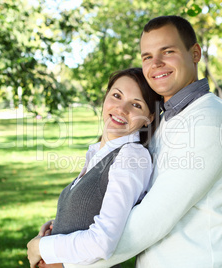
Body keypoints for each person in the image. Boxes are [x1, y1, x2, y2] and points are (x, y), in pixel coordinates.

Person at [50, 15, 222, 268]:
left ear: (195, 53)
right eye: (147, 56)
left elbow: (152, 220)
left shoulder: (210, 119)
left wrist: (67, 261)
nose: (156, 64)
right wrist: (65, 231)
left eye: (168, 51)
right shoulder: (165, 120)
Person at [27, 67, 161, 268]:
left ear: (149, 118)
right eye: (116, 95)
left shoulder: (131, 156)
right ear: (105, 97)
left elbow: (103, 242)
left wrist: (42, 247)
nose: (122, 109)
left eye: (136, 104)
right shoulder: (99, 154)